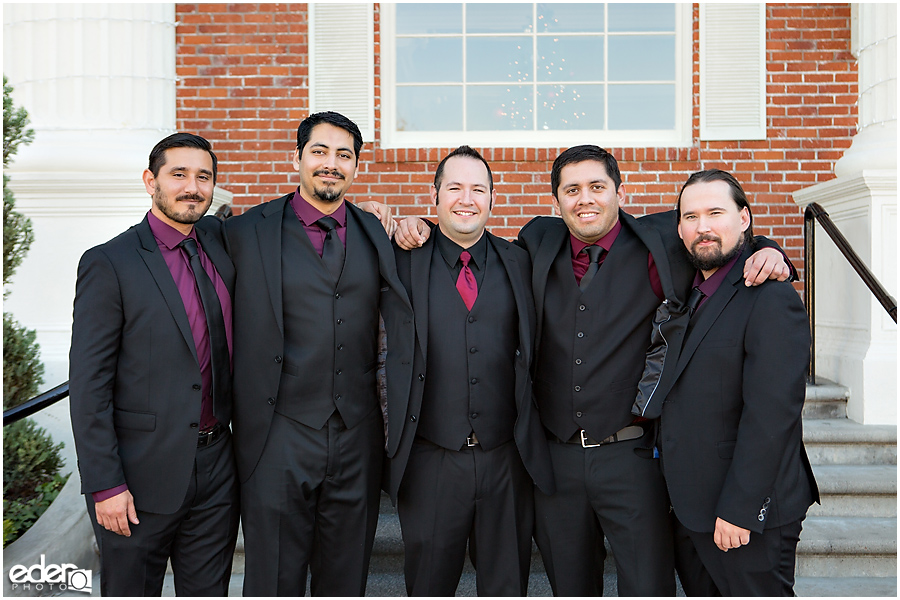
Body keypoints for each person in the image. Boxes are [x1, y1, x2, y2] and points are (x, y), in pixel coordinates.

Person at [394, 145, 794, 596]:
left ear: (620, 192)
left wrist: (768, 249)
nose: (585, 198)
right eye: (572, 189)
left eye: (597, 187)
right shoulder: (536, 243)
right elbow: (463, 238)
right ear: (556, 200)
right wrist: (416, 226)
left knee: (646, 586)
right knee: (570, 586)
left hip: (632, 457)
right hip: (555, 460)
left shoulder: (662, 239)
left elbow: (715, 234)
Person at [223, 111, 414, 596]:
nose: (331, 164)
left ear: (355, 167)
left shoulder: (376, 232)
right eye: (320, 152)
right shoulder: (246, 232)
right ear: (297, 158)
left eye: (344, 155)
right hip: (277, 432)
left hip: (358, 434)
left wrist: (418, 224)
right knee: (274, 579)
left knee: (346, 578)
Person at [69, 132, 239, 596]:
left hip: (217, 470)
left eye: (203, 177)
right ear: (151, 180)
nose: (192, 187)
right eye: (178, 174)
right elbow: (89, 386)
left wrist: (386, 217)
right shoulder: (109, 263)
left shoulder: (221, 245)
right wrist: (104, 485)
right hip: (138, 479)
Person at [635, 169, 818, 596]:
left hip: (744, 513)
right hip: (691, 508)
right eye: (691, 216)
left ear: (745, 218)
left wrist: (741, 509)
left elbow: (773, 415)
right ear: (678, 228)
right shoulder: (691, 288)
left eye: (716, 212)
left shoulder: (771, 298)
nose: (704, 227)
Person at [384, 146, 554, 596]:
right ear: (434, 195)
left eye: (478, 188)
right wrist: (393, 220)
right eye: (454, 187)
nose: (466, 198)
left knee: (507, 585)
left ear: (493, 199)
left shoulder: (521, 260)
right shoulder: (400, 260)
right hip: (430, 459)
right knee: (428, 586)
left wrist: (764, 244)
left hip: (506, 460)